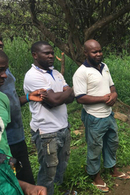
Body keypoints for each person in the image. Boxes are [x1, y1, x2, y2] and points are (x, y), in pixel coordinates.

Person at [72, 39, 130, 193]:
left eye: (100, 51)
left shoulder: (104, 67)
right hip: (93, 117)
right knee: (95, 147)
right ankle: (95, 176)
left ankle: (112, 169)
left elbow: (112, 86)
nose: (98, 54)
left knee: (112, 142)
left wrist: (114, 94)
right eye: (94, 52)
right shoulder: (81, 73)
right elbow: (80, 98)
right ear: (86, 53)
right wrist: (104, 99)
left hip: (108, 115)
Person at [23, 41, 74, 195]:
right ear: (35, 55)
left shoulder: (56, 73)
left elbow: (71, 97)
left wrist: (64, 94)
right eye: (46, 53)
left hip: (63, 128)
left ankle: (56, 192)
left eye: (52, 52)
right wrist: (66, 92)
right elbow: (53, 101)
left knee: (61, 166)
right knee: (47, 172)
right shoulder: (32, 76)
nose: (51, 55)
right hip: (47, 132)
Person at [0, 34, 45, 184]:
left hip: (16, 136)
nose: (4, 75)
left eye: (1, 46)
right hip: (4, 141)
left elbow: (10, 101)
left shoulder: (6, 73)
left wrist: (27, 98)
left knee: (25, 178)